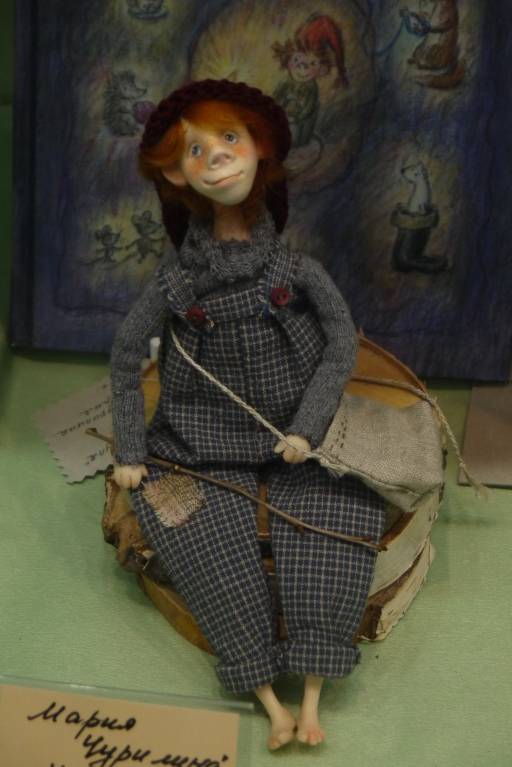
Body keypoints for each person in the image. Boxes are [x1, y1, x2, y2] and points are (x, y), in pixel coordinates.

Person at [110, 78, 386, 750]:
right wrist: (131, 450)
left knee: (336, 515)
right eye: (195, 150)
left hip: (296, 435)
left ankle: (311, 692)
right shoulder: (178, 282)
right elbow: (124, 355)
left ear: (258, 147)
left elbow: (341, 341)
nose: (217, 157)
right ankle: (267, 697)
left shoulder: (292, 270)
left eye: (229, 138)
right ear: (177, 173)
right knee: (198, 537)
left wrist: (309, 425)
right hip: (198, 444)